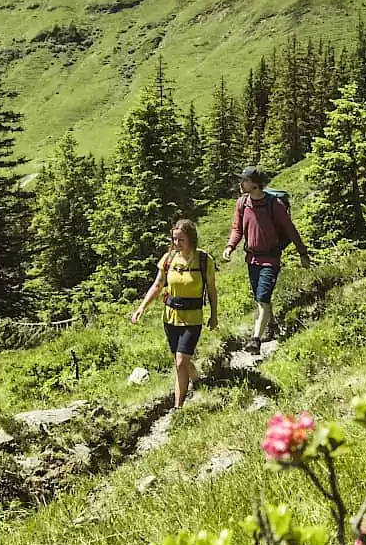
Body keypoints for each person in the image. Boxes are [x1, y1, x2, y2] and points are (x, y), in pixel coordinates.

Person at [131, 218, 217, 408]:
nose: (177, 244)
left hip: (193, 317)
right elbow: (158, 284)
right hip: (170, 316)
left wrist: (214, 314)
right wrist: (141, 307)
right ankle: (197, 380)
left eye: (181, 240)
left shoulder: (204, 260)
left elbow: (211, 289)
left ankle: (178, 407)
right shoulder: (169, 259)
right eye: (174, 240)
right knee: (181, 359)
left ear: (191, 239)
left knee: (180, 362)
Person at [224, 165, 311, 345]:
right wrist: (230, 246)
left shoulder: (274, 204)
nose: (241, 183)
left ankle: (256, 340)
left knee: (262, 298)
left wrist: (302, 252)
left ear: (255, 184)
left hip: (271, 258)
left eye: (245, 180)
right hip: (252, 258)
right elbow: (237, 229)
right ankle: (271, 326)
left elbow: (290, 229)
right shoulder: (242, 203)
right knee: (260, 297)